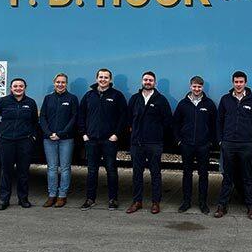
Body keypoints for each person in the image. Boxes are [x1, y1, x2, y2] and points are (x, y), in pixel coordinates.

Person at [77, 68, 128, 211]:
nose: (103, 79)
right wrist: (84, 134)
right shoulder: (89, 96)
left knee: (111, 170)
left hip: (109, 141)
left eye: (106, 77)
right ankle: (90, 199)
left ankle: (113, 199)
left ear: (110, 80)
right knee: (92, 171)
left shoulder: (117, 96)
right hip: (91, 140)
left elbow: (123, 117)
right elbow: (81, 116)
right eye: (101, 77)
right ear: (96, 78)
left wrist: (116, 134)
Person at [214, 71, 252, 220]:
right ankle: (222, 206)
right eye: (236, 82)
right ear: (233, 83)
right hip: (228, 144)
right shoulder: (225, 99)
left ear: (245, 83)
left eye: (241, 82)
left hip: (246, 145)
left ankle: (251, 207)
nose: (238, 84)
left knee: (247, 177)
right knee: (227, 177)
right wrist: (221, 140)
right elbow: (219, 121)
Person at [0, 77, 38, 211]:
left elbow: (34, 122)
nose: (18, 88)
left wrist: (32, 137)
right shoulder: (3, 102)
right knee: (6, 172)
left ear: (25, 88)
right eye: (15, 86)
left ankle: (23, 199)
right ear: (11, 88)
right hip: (6, 142)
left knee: (23, 172)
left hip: (24, 142)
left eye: (21, 86)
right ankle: (4, 199)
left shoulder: (31, 103)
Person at [126, 71, 172, 215]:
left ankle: (155, 202)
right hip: (137, 143)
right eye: (145, 80)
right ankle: (137, 201)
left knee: (155, 174)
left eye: (150, 80)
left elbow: (167, 121)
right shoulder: (135, 99)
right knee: (137, 174)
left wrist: (157, 134)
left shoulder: (161, 100)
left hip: (154, 144)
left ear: (155, 83)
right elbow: (128, 119)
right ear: (141, 81)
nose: (148, 82)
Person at [173, 76, 217, 214]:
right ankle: (186, 202)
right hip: (187, 145)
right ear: (190, 86)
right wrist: (179, 140)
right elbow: (175, 123)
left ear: (202, 87)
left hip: (203, 145)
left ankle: (203, 203)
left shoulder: (209, 104)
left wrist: (210, 142)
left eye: (199, 87)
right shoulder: (183, 104)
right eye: (194, 86)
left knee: (203, 175)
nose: (197, 89)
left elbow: (215, 124)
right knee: (187, 174)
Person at [39, 73, 78, 208]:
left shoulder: (72, 98)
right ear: (54, 83)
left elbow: (74, 118)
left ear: (66, 84)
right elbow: (42, 117)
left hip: (66, 139)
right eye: (58, 82)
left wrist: (61, 134)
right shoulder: (48, 98)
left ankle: (62, 195)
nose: (60, 84)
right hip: (49, 138)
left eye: (63, 82)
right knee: (52, 168)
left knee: (65, 168)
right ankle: (51, 195)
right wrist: (49, 133)